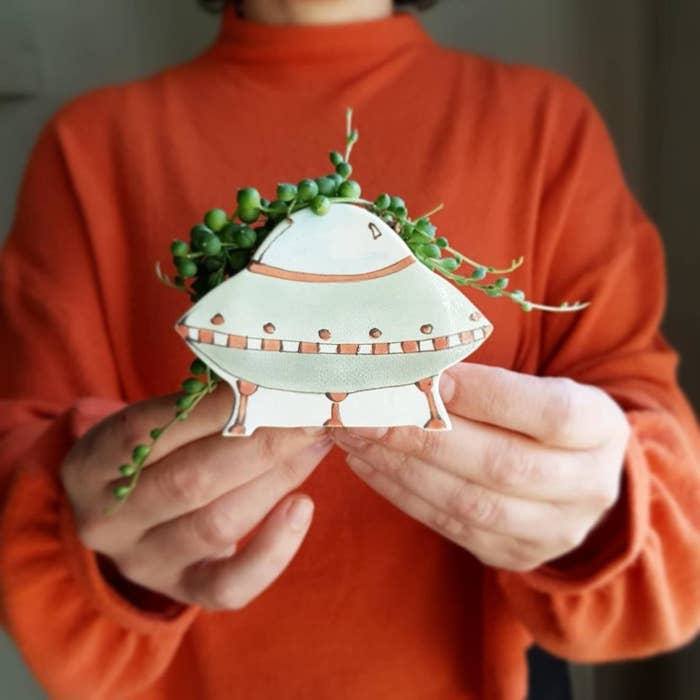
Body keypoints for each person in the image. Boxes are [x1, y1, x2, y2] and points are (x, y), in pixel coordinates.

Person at [1, 1, 698, 698]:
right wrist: (106, 552)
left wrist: (606, 506)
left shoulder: (544, 122)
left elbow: (666, 497)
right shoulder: (90, 144)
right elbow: (22, 470)